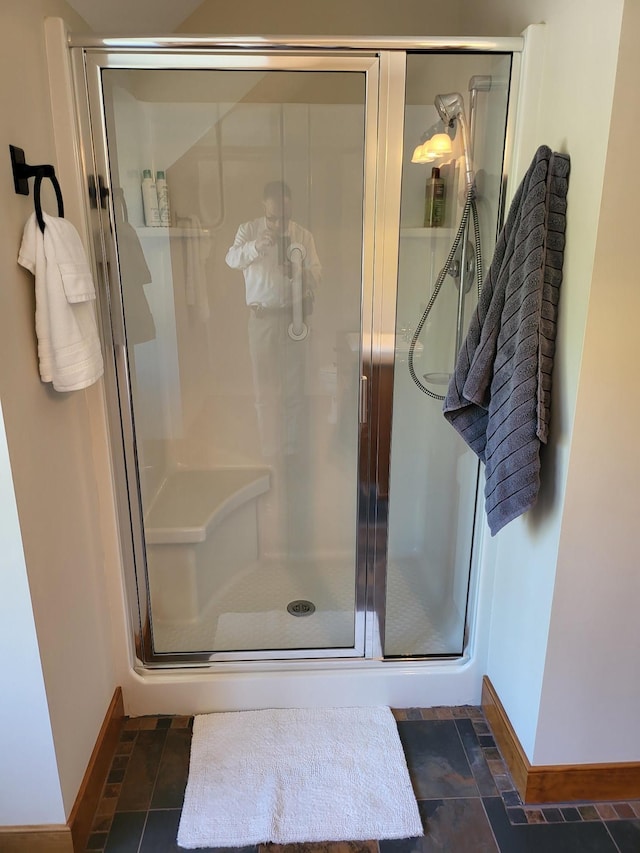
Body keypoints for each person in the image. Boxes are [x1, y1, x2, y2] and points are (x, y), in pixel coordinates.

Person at [226, 181, 321, 457]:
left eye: (285, 217)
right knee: (263, 388)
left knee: (293, 388)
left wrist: (299, 271)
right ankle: (267, 448)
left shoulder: (302, 236)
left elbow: (319, 274)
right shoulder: (249, 231)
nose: (279, 224)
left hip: (294, 318)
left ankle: (290, 450)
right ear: (263, 208)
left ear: (292, 209)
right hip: (261, 318)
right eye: (272, 217)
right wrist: (256, 247)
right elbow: (230, 259)